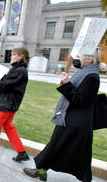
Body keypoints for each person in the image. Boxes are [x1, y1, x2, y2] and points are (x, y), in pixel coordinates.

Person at [23, 50, 101, 182]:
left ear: (89, 59)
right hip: (73, 119)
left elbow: (78, 100)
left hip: (75, 122)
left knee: (63, 149)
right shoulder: (86, 72)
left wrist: (67, 84)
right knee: (60, 147)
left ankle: (42, 171)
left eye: (78, 56)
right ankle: (42, 171)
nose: (75, 58)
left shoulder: (92, 76)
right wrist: (67, 83)